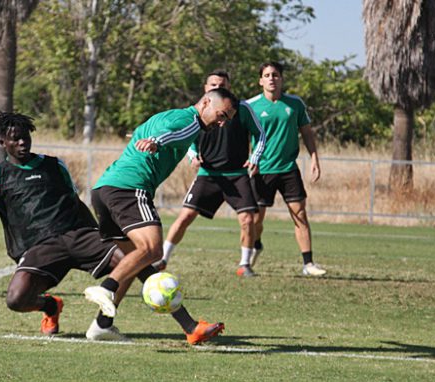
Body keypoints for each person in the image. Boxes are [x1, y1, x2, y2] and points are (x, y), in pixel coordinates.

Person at [0, 112, 219, 345]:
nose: (22, 142)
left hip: (80, 236)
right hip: (39, 247)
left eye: (26, 136)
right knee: (16, 299)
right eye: (15, 138)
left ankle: (191, 327)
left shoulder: (55, 165)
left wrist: (103, 235)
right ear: (3, 143)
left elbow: (76, 202)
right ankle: (50, 305)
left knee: (135, 260)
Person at [83, 88, 238, 342]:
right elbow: (175, 134)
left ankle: (104, 325)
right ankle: (106, 288)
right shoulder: (190, 121)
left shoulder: (170, 116)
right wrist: (158, 142)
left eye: (227, 119)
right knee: (153, 250)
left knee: (138, 262)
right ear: (206, 102)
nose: (223, 123)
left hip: (104, 190)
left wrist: (151, 137)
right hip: (129, 188)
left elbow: (157, 131)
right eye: (222, 115)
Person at [159, 70, 266, 277]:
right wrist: (192, 154)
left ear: (229, 88)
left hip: (237, 174)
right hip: (208, 174)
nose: (218, 87)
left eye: (223, 85)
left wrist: (255, 157)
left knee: (248, 219)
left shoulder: (242, 109)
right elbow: (185, 136)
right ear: (206, 90)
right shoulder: (197, 111)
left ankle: (244, 264)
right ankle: (162, 259)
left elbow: (260, 133)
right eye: (214, 85)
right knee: (185, 216)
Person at [246, 61, 326, 276]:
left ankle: (308, 264)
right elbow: (241, 135)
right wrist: (245, 160)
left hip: (288, 168)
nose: (272, 78)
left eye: (275, 75)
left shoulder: (295, 104)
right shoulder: (250, 106)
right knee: (256, 220)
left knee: (300, 214)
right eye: (267, 75)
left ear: (281, 79)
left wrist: (315, 159)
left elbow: (307, 133)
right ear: (260, 80)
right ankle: (256, 244)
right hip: (261, 170)